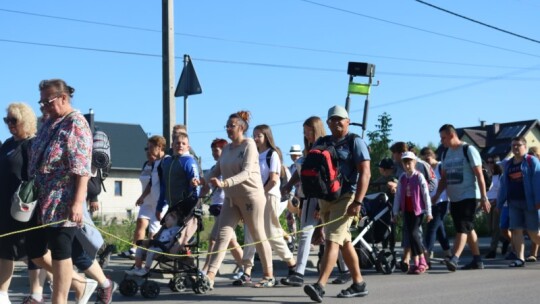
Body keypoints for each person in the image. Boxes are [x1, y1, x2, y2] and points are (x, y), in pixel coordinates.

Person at [27, 79, 95, 304]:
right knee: (36, 252)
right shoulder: (49, 122)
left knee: (60, 252)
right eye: (41, 103)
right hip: (41, 199)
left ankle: (60, 301)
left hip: (63, 199)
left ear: (63, 98)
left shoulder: (76, 123)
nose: (43, 107)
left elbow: (82, 168)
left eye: (47, 102)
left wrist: (78, 202)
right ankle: (79, 283)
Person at [303, 105, 370, 302]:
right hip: (326, 198)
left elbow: (365, 172)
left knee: (333, 240)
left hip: (347, 197)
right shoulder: (322, 142)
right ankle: (359, 283)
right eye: (332, 119)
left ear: (348, 121)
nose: (336, 122)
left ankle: (320, 285)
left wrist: (358, 201)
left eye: (340, 119)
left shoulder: (355, 142)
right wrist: (316, 204)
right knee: (344, 242)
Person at [202, 110, 275, 289]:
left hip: (251, 197)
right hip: (231, 198)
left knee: (257, 234)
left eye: (231, 126)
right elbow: (215, 171)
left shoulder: (249, 145)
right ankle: (210, 275)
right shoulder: (227, 149)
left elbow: (247, 172)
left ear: (241, 128)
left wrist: (224, 183)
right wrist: (202, 181)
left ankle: (268, 275)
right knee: (222, 235)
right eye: (226, 126)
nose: (228, 128)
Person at [0, 102, 48, 304]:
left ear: (25, 121)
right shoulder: (8, 144)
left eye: (14, 120)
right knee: (4, 248)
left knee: (35, 254)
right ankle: (2, 295)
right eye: (6, 120)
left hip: (24, 207)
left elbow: (38, 177)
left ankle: (77, 281)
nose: (9, 124)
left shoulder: (33, 144)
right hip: (4, 204)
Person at [239, 124, 295, 286]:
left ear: (267, 137)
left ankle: (291, 264)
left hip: (269, 196)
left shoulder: (272, 155)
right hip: (254, 198)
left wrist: (260, 194)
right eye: (254, 135)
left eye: (259, 136)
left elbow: (274, 180)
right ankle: (247, 271)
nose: (256, 138)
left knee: (271, 231)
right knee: (251, 232)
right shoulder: (254, 155)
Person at [432, 124, 490, 272]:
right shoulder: (446, 154)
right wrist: (437, 195)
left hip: (469, 195)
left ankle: (454, 258)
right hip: (455, 197)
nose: (441, 141)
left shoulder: (468, 150)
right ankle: (477, 260)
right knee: (468, 227)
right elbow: (444, 179)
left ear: (452, 135)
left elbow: (479, 174)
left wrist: (484, 197)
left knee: (462, 226)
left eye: (443, 138)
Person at [281, 116, 327, 287]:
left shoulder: (324, 148)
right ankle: (299, 273)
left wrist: (319, 205)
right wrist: (288, 185)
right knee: (307, 234)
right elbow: (300, 172)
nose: (307, 135)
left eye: (309, 131)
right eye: (305, 132)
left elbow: (322, 177)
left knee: (334, 237)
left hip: (322, 197)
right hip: (308, 196)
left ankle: (346, 270)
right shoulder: (309, 150)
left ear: (317, 130)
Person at [200, 138, 244, 277]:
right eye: (212, 151)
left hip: (226, 205)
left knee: (214, 239)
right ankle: (246, 267)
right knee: (231, 241)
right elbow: (206, 185)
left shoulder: (228, 166)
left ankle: (207, 269)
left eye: (216, 150)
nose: (214, 153)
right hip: (215, 205)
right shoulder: (214, 168)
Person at [389, 142, 435, 271]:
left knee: (414, 234)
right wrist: (395, 212)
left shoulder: (419, 176)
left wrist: (429, 212)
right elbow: (398, 196)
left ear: (414, 163)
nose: (407, 165)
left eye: (410, 163)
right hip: (407, 210)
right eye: (405, 163)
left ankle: (423, 261)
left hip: (418, 211)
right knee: (410, 235)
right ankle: (416, 262)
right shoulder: (402, 177)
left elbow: (426, 195)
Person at [119, 136, 167, 258]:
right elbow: (151, 182)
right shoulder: (148, 164)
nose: (148, 150)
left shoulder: (164, 162)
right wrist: (142, 196)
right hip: (147, 201)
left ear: (159, 147)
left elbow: (163, 183)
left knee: (154, 230)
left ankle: (149, 255)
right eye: (147, 148)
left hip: (159, 202)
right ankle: (135, 250)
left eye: (150, 147)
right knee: (140, 222)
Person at [496, 136, 540, 267]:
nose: (515, 147)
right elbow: (504, 186)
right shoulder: (508, 164)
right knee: (516, 230)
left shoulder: (532, 161)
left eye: (518, 145)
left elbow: (538, 181)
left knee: (533, 233)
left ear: (525, 147)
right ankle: (520, 258)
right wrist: (499, 203)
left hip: (530, 202)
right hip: (513, 203)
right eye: (513, 145)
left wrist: (538, 200)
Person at [155, 132, 200, 254]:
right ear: (172, 145)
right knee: (167, 238)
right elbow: (164, 187)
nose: (180, 145)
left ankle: (188, 265)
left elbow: (196, 185)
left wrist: (192, 204)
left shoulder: (189, 161)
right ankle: (183, 264)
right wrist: (160, 206)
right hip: (172, 207)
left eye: (183, 143)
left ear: (188, 147)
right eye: (177, 143)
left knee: (180, 240)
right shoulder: (167, 162)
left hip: (186, 207)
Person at [419, 147, 451, 261]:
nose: (427, 159)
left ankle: (427, 256)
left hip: (441, 202)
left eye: (428, 156)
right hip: (430, 203)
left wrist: (437, 196)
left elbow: (445, 182)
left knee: (431, 228)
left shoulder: (440, 166)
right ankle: (448, 253)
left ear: (433, 155)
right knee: (439, 229)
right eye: (424, 158)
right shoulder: (425, 169)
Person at [484, 156, 504, 259]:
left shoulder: (500, 176)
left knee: (495, 227)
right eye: (488, 162)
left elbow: (501, 190)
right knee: (490, 228)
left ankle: (493, 250)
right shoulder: (486, 175)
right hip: (487, 203)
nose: (489, 164)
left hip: (496, 203)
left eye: (491, 162)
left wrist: (498, 201)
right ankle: (505, 240)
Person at [525, 146, 539, 261]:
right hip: (533, 201)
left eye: (533, 154)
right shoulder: (528, 168)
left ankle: (534, 253)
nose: (531, 156)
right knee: (534, 228)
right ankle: (533, 253)